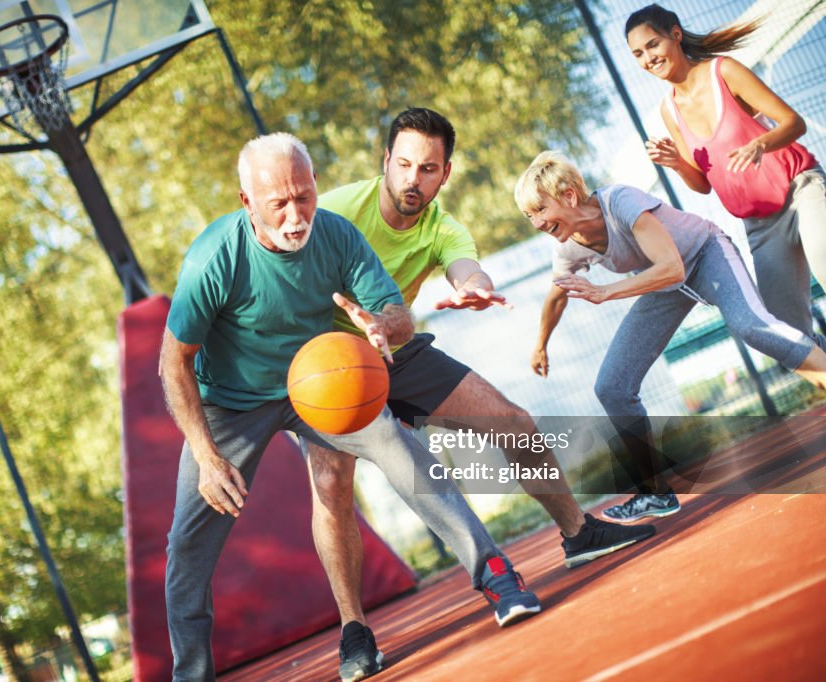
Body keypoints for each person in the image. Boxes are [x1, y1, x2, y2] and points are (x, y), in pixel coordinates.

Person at [161, 132, 542, 682]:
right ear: (247, 203)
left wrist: (381, 324)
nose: (296, 215)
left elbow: (398, 314)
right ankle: (191, 675)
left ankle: (496, 574)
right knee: (187, 543)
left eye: (304, 196)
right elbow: (174, 361)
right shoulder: (213, 259)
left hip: (316, 383)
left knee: (396, 445)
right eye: (278, 204)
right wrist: (204, 451)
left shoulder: (335, 236)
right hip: (229, 404)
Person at [306, 108, 656, 682]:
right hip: (328, 365)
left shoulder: (442, 226)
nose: (413, 179)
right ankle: (354, 630)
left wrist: (473, 289)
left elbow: (467, 268)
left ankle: (578, 532)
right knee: (330, 483)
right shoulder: (338, 210)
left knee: (512, 420)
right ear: (385, 162)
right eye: (404, 165)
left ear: (445, 174)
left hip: (398, 349)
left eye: (428, 168)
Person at [515, 150, 826, 525]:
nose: (535, 221)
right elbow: (556, 295)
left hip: (705, 253)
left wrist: (607, 293)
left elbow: (671, 265)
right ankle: (655, 493)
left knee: (753, 327)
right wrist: (540, 344)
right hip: (666, 287)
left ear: (568, 196)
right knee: (612, 386)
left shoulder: (620, 201)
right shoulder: (566, 245)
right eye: (528, 215)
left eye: (538, 209)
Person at [624, 4, 826, 350]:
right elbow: (702, 183)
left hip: (801, 190)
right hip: (761, 224)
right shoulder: (668, 109)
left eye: (652, 45)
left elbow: (794, 123)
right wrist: (676, 163)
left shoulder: (724, 71)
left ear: (675, 34)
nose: (648, 58)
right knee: (789, 340)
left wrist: (760, 143)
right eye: (638, 54)